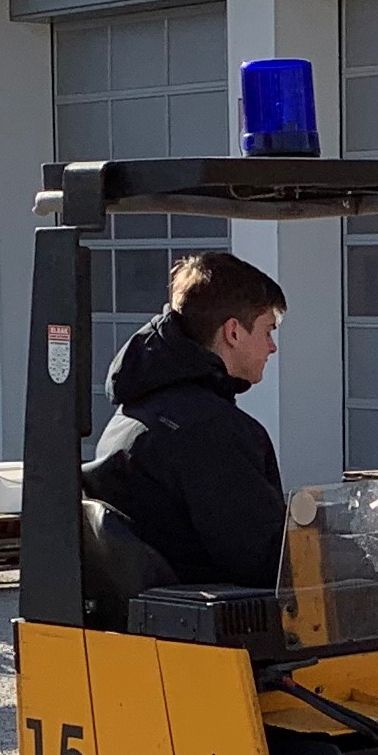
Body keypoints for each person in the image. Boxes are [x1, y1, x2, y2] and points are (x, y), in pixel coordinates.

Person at [84, 251, 294, 589]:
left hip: (162, 604)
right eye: (268, 331)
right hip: (207, 608)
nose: (272, 347)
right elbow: (274, 561)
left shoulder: (141, 409)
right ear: (233, 332)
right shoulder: (208, 431)